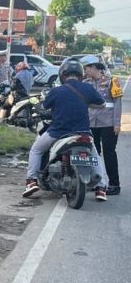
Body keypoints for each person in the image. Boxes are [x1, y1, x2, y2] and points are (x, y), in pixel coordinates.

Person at [22, 58, 108, 202]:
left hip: (58, 132)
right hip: (83, 132)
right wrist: (87, 104)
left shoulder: (56, 91)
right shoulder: (87, 88)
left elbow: (44, 107)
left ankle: (31, 181)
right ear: (80, 74)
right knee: (95, 156)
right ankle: (101, 188)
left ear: (62, 74)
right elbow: (102, 104)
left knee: (36, 150)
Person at [83, 55, 122, 196]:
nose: (85, 71)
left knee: (109, 153)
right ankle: (97, 182)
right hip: (91, 123)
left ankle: (114, 184)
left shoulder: (112, 81)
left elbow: (117, 103)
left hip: (108, 123)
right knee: (94, 153)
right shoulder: (86, 83)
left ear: (94, 67)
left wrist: (117, 123)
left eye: (86, 68)